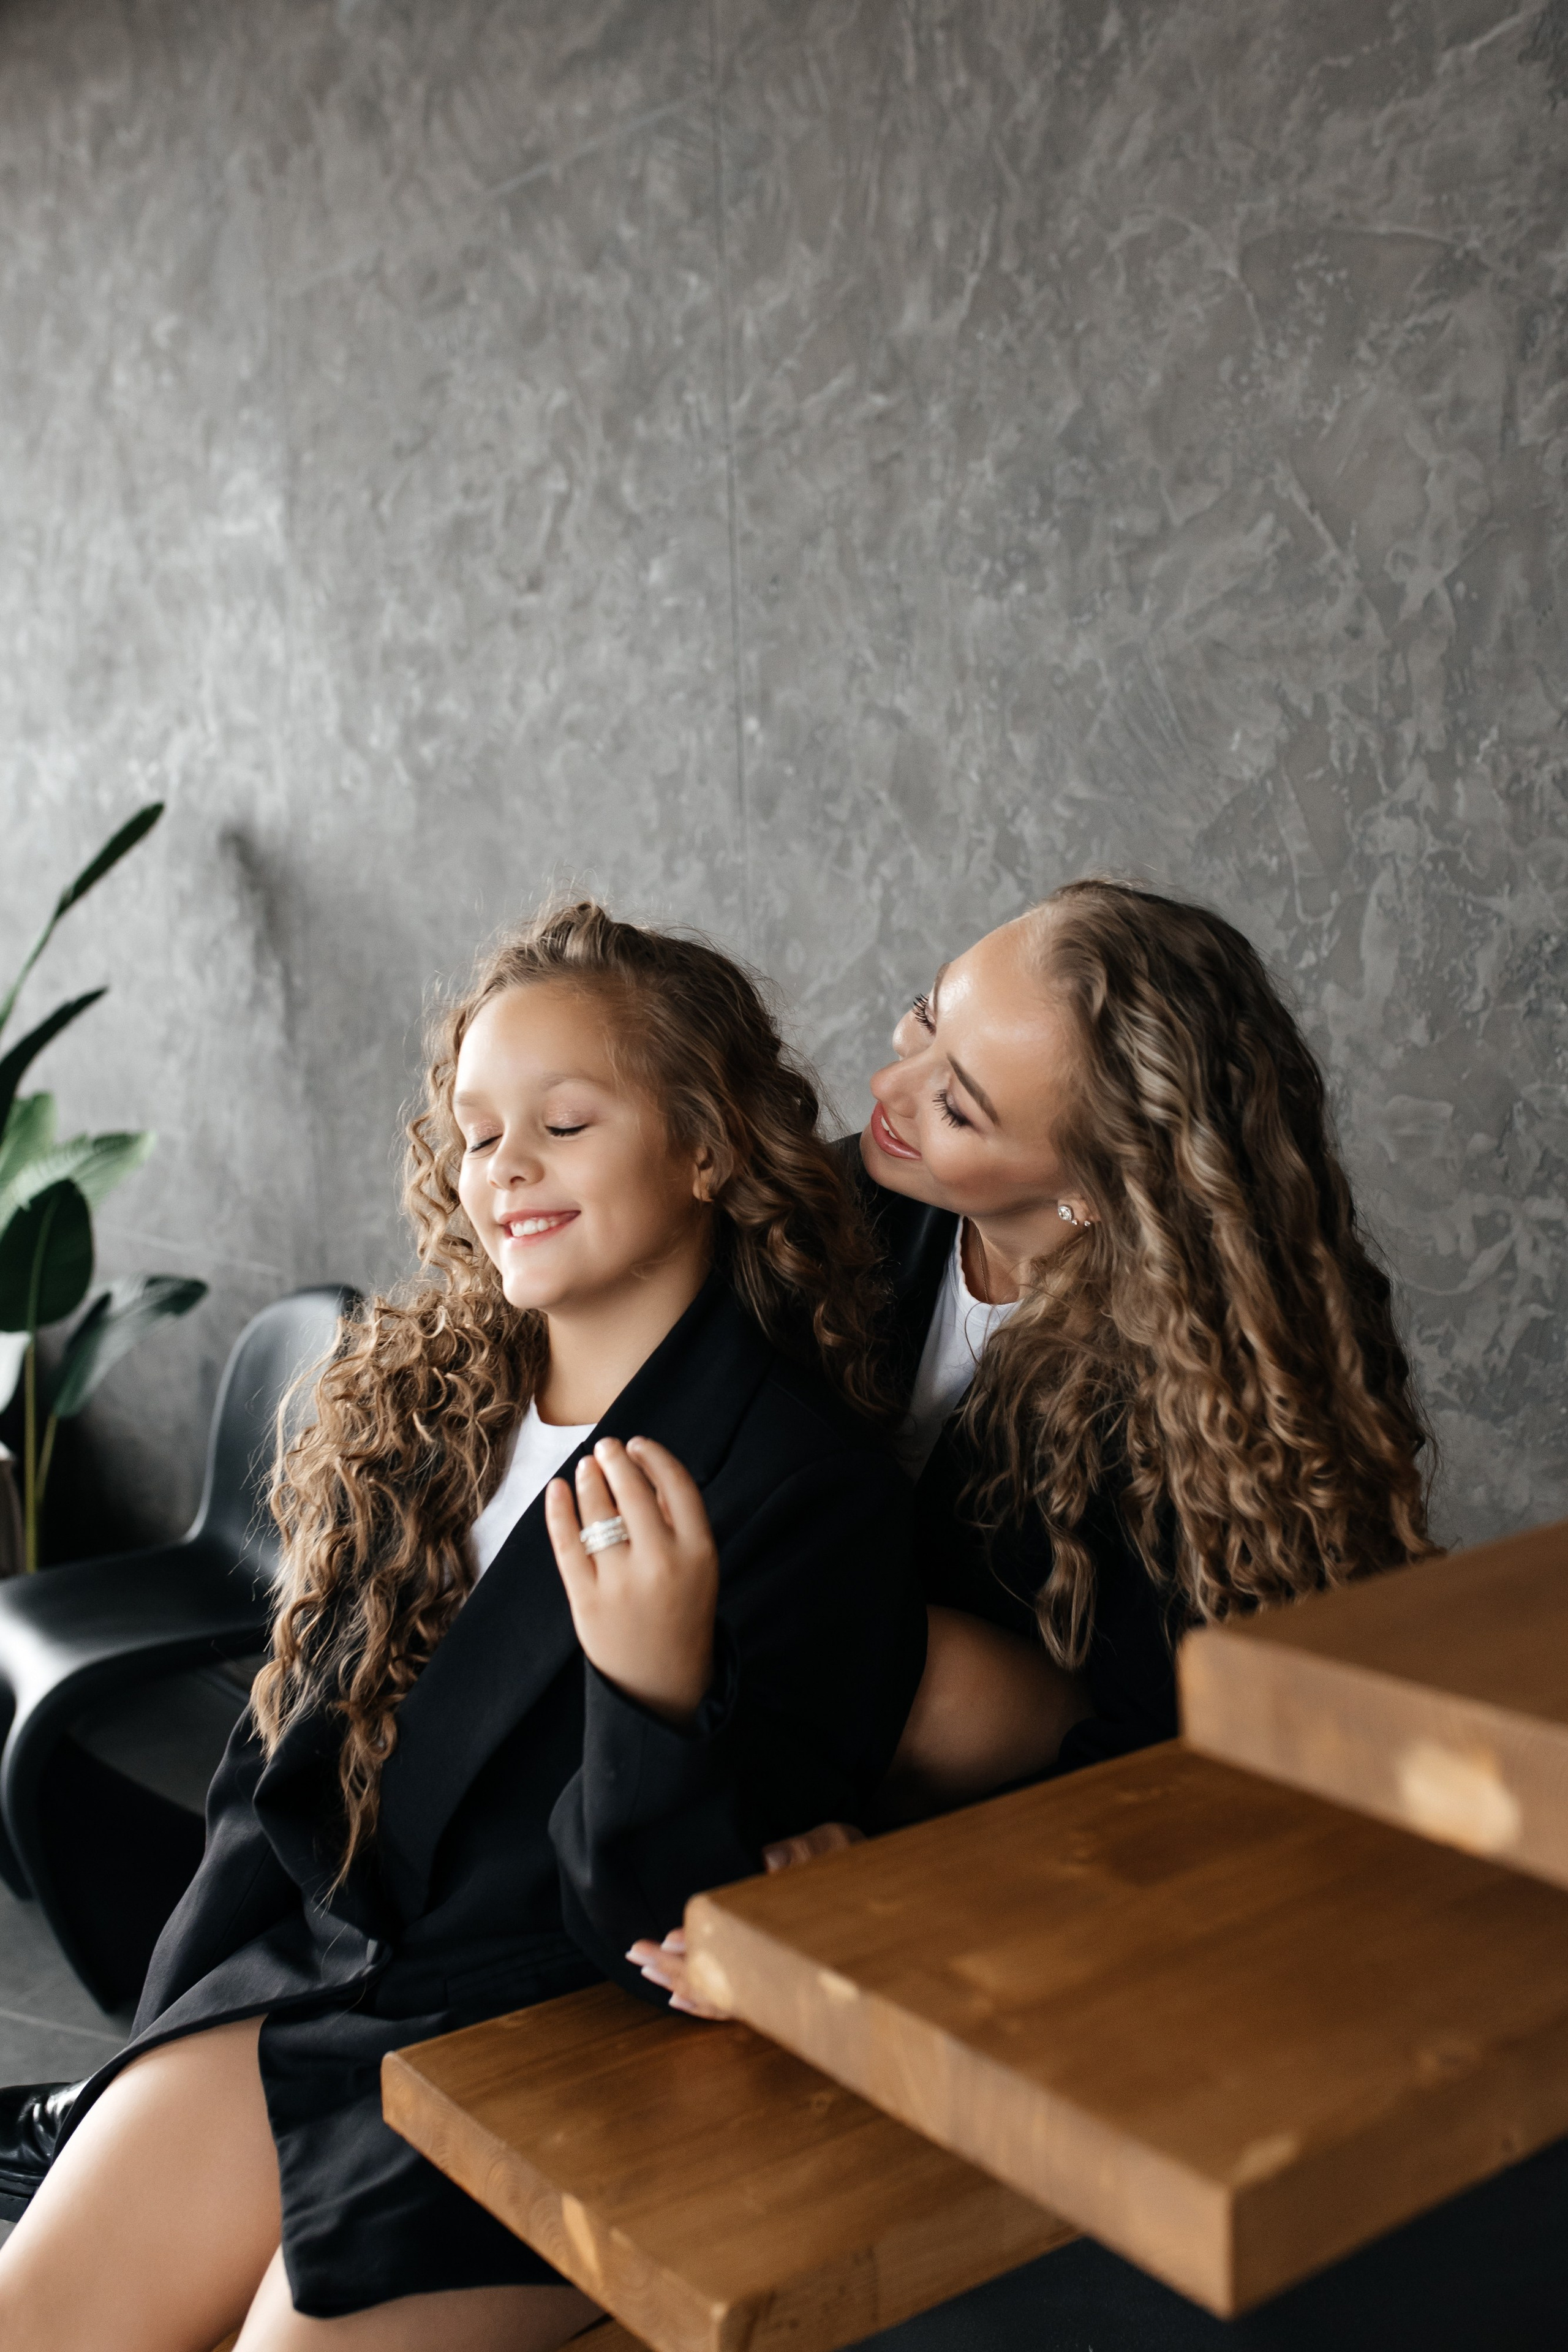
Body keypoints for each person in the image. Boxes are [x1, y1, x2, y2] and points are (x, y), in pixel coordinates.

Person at [0, 903, 926, 2352]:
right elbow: (272, 1784)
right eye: (479, 1132)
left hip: (555, 2045)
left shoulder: (799, 1490)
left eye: (563, 1123)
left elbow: (692, 1937)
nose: (506, 1171)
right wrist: (181, 2019)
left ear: (704, 1148)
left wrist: (649, 1692)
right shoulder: (427, 1404)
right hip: (317, 1973)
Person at [633, 878, 1436, 1997]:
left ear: (1096, 1194)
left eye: (958, 1107)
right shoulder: (853, 1212)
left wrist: (891, 1878)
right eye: (925, 1014)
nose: (888, 1089)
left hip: (1044, 1890)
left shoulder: (1198, 1388)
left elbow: (1173, 1765)